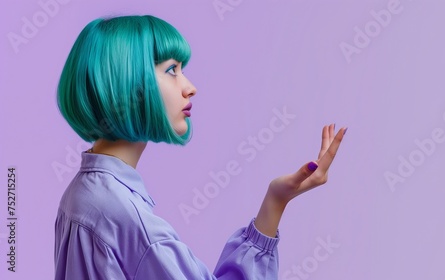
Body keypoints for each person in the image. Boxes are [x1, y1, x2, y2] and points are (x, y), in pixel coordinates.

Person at [54, 15, 347, 280]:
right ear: (127, 81)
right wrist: (275, 203)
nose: (190, 86)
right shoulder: (129, 220)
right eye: (172, 70)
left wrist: (276, 197)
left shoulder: (81, 196)